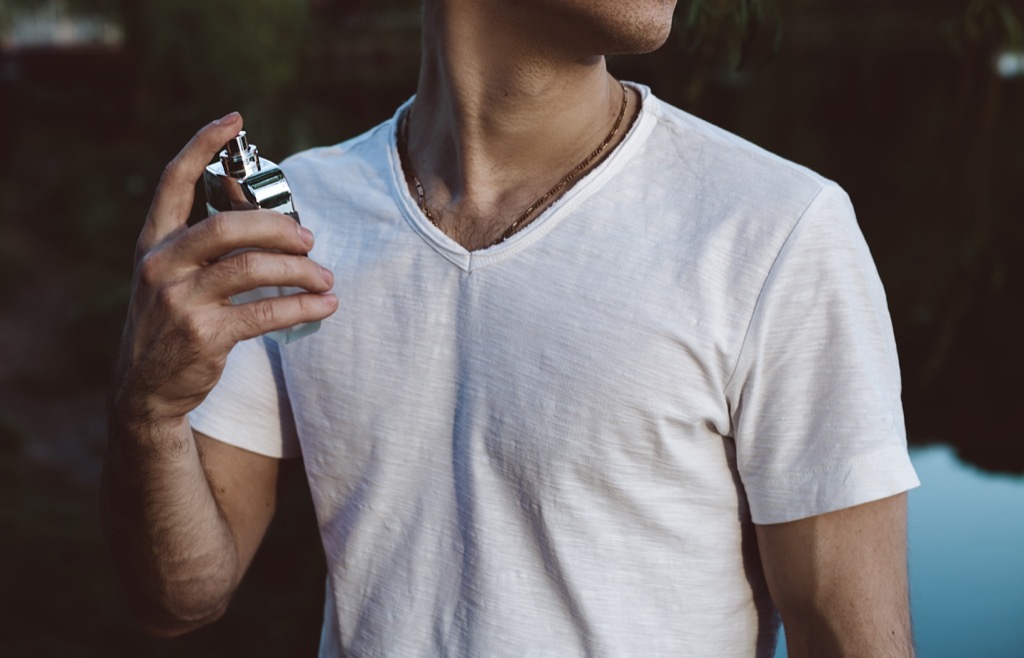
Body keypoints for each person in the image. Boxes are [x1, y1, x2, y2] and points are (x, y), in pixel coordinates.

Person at [101, 1, 920, 656]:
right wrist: (149, 412)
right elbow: (178, 600)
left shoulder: (775, 228)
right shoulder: (301, 221)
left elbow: (850, 639)